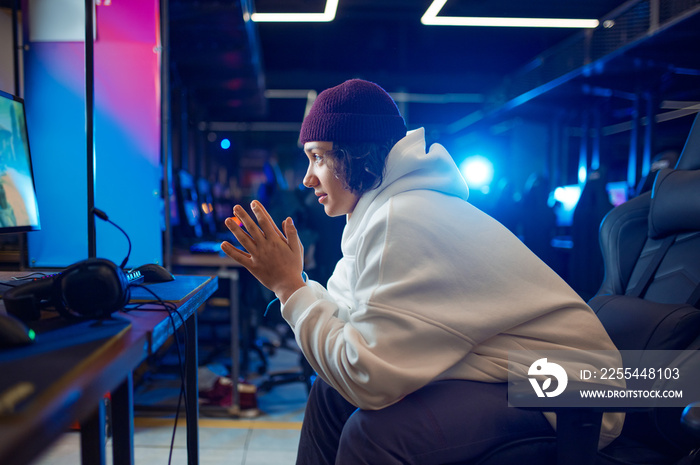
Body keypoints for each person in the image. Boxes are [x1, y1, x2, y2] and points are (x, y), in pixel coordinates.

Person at [221, 79, 623, 464]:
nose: (308, 178)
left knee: (375, 435)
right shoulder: (377, 214)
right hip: (512, 370)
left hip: (568, 386)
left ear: (354, 153)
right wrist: (293, 282)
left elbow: (365, 376)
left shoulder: (404, 219)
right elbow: (345, 326)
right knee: (330, 394)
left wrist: (290, 288)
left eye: (318, 157)